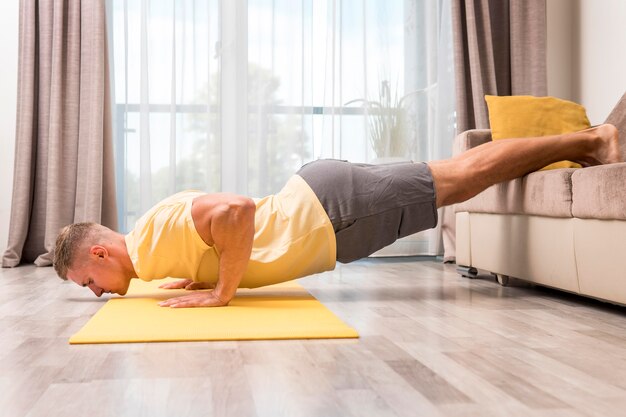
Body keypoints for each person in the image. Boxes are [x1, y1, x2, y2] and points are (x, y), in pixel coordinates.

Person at [54, 124, 621, 308]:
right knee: (457, 174)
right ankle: (580, 144)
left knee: (463, 177)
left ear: (99, 253)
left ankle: (592, 140)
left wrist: (222, 291)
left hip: (332, 213)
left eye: (89, 283)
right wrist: (209, 274)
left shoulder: (149, 246)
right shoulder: (153, 243)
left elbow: (236, 209)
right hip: (328, 207)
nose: (99, 293)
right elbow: (219, 228)